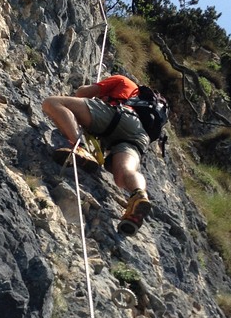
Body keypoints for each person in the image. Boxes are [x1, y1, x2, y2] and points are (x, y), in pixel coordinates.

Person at [42, 74, 152, 236]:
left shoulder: (123, 80)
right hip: (138, 133)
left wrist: (96, 92)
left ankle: (80, 147)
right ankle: (139, 195)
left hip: (117, 114)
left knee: (52, 102)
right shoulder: (144, 107)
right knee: (124, 174)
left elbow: (82, 93)